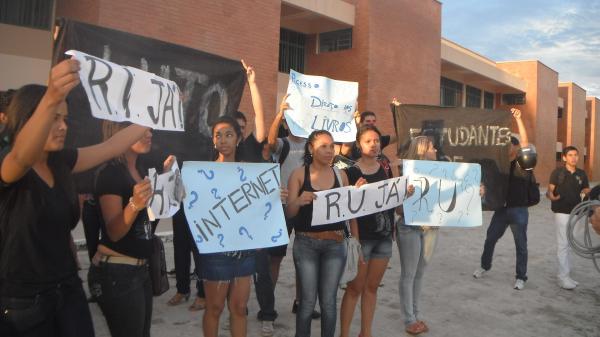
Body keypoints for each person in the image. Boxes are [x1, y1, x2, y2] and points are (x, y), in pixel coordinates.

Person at [0, 60, 149, 336]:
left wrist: (152, 114)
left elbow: (110, 146)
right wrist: (52, 96)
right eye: (54, 118)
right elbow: (20, 157)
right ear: (28, 120)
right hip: (23, 305)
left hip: (67, 291)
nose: (62, 127)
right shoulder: (9, 166)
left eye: (65, 119)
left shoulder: (60, 161)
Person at [87, 121, 172, 337]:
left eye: (150, 129)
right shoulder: (110, 174)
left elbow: (146, 227)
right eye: (141, 129)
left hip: (139, 270)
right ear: (119, 133)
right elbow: (115, 232)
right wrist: (134, 204)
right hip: (117, 273)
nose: (149, 134)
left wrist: (166, 185)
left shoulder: (140, 169)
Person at [286, 130, 357, 337]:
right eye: (323, 146)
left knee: (328, 302)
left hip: (335, 244)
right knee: (307, 302)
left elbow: (350, 208)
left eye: (331, 145)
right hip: (305, 244)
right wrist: (298, 201)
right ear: (311, 148)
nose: (329, 150)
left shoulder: (341, 174)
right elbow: (290, 212)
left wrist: (357, 193)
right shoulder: (299, 174)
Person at [339, 125, 404, 337]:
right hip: (361, 240)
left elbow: (398, 207)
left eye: (377, 140)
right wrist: (354, 241)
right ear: (359, 144)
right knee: (354, 289)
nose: (374, 144)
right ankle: (345, 333)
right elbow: (347, 211)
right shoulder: (349, 172)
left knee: (372, 288)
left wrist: (406, 194)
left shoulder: (387, 169)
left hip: (384, 238)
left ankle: (366, 332)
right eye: (368, 141)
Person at [473, 108, 534, 290]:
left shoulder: (523, 164)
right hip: (501, 209)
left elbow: (525, 141)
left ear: (515, 148)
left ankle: (521, 277)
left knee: (520, 244)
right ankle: (485, 266)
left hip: (519, 210)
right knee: (490, 238)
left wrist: (519, 119)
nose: (505, 148)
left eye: (508, 145)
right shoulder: (499, 165)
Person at [395, 135, 438, 335]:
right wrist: (407, 197)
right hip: (409, 227)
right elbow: (398, 210)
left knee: (420, 274)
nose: (436, 150)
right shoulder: (404, 174)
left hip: (430, 228)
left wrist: (475, 193)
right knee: (409, 274)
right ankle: (409, 319)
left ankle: (416, 313)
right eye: (432, 147)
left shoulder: (441, 173)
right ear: (422, 150)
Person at [546, 146, 590, 289]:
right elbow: (550, 191)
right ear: (564, 157)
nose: (574, 157)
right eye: (570, 155)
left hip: (576, 213)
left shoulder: (581, 174)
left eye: (576, 155)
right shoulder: (557, 172)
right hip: (562, 212)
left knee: (570, 244)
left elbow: (586, 189)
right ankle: (562, 277)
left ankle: (567, 275)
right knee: (563, 244)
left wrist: (587, 192)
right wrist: (551, 195)